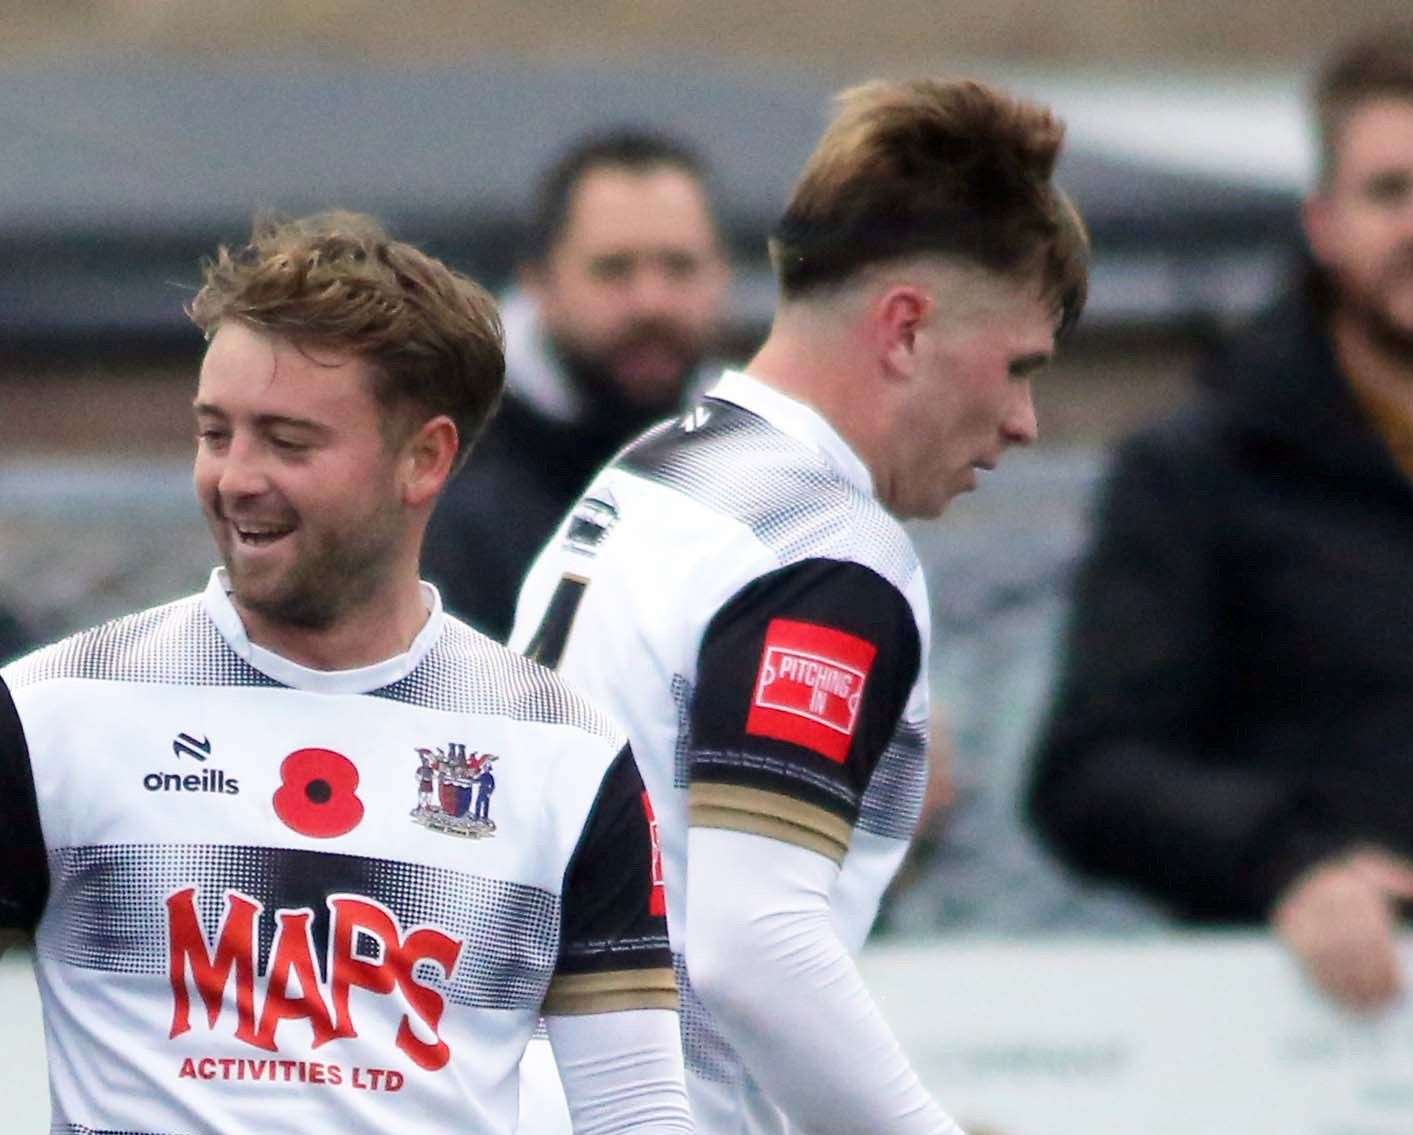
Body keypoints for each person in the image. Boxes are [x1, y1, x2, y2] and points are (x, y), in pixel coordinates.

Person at [0, 212, 691, 1134]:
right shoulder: (54, 714)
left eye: (288, 442)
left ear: (425, 458)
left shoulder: (565, 754)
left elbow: (636, 1108)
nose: (236, 478)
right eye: (216, 433)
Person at [512, 78, 1087, 1133]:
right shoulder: (825, 551)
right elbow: (753, 945)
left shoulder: (650, 473)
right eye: (1015, 367)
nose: (1023, 421)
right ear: (905, 329)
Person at [1028, 28, 1413, 1014]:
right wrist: (1281, 860)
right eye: (1389, 191)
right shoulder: (1199, 473)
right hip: (1317, 1048)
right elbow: (1090, 772)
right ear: (1321, 223)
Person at [423, 128, 731, 641]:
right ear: (538, 282)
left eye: (679, 267)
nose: (651, 302)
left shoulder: (764, 462)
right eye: (614, 270)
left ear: (722, 274)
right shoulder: (443, 468)